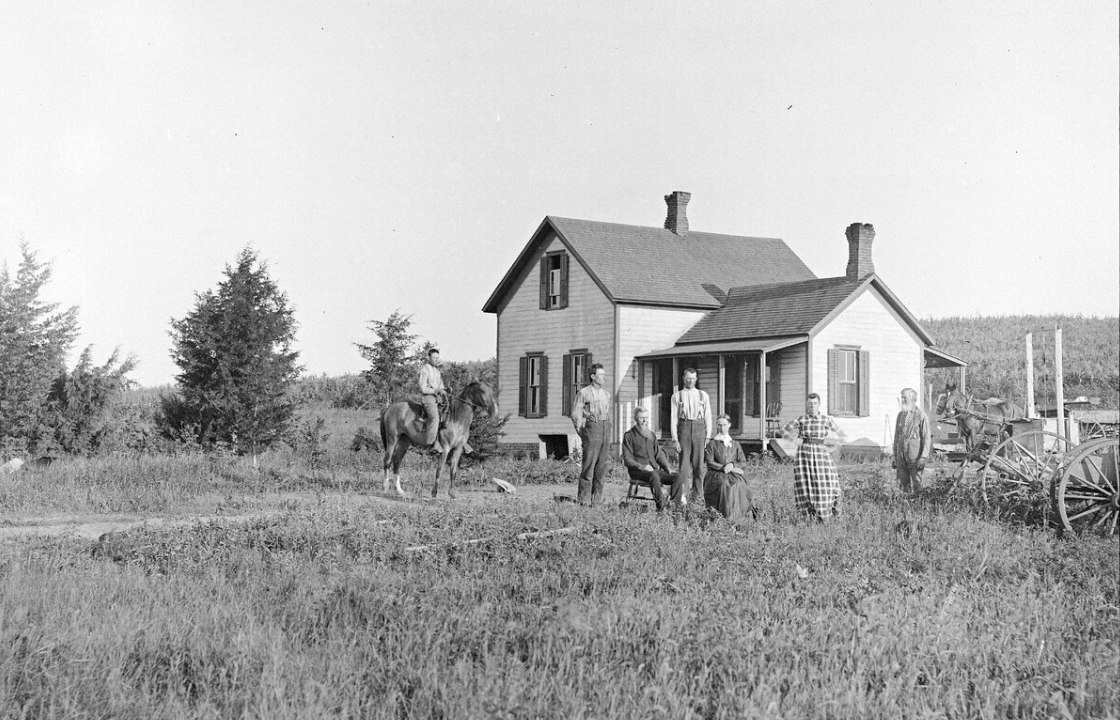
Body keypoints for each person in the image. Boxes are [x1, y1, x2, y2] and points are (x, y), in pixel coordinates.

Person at [782, 393, 847, 520]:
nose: (812, 406)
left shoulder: (825, 420)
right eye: (809, 404)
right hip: (804, 455)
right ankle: (807, 516)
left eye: (814, 404)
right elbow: (783, 430)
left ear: (819, 404)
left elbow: (842, 435)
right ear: (806, 405)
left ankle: (826, 515)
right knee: (805, 483)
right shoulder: (801, 419)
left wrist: (833, 448)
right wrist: (793, 440)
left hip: (820, 453)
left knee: (828, 482)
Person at [703, 414, 757, 523]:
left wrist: (732, 465)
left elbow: (743, 462)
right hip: (715, 474)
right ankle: (724, 518)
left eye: (724, 425)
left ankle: (740, 518)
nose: (722, 428)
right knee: (724, 486)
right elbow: (710, 462)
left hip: (734, 474)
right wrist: (724, 467)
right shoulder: (712, 444)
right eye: (719, 425)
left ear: (729, 425)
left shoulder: (735, 444)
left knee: (739, 485)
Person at [622, 407, 678, 511]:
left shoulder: (651, 435)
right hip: (637, 471)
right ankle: (661, 508)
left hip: (653, 470)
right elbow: (627, 459)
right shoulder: (629, 436)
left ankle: (674, 506)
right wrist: (642, 467)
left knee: (677, 477)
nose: (644, 421)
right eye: (641, 418)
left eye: (646, 418)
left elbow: (658, 454)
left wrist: (667, 467)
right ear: (635, 419)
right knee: (654, 475)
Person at [571, 363, 611, 507]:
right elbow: (576, 415)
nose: (603, 377)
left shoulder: (606, 394)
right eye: (601, 374)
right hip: (591, 431)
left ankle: (597, 501)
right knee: (589, 467)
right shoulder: (584, 393)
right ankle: (584, 500)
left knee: (601, 467)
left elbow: (606, 413)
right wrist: (582, 432)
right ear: (593, 376)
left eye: (604, 374)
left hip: (605, 429)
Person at [671, 368, 712, 506]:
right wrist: (675, 439)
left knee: (699, 466)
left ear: (696, 379)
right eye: (688, 378)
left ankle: (697, 497)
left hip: (699, 429)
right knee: (683, 467)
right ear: (684, 378)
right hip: (684, 428)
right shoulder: (677, 396)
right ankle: (681, 497)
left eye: (693, 378)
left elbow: (708, 416)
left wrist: (708, 436)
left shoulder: (703, 395)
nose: (690, 381)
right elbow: (673, 419)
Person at [893, 387, 931, 494]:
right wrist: (894, 456)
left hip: (915, 455)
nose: (903, 400)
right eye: (902, 398)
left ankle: (918, 506)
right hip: (901, 455)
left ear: (913, 399)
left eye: (905, 398)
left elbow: (926, 438)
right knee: (902, 484)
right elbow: (896, 436)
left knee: (917, 483)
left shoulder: (921, 415)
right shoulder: (901, 415)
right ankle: (905, 506)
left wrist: (923, 457)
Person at [418, 347, 446, 452]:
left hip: (438, 398)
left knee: (450, 413)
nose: (436, 360)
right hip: (428, 398)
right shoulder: (425, 370)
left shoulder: (437, 371)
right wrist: (435, 391)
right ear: (429, 357)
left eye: (438, 358)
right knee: (435, 418)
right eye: (434, 358)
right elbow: (423, 388)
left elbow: (441, 386)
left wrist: (445, 391)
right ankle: (432, 443)